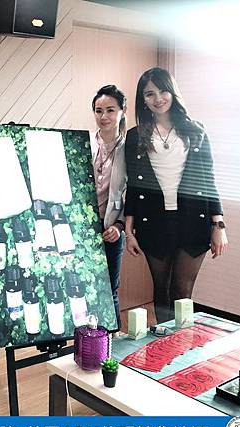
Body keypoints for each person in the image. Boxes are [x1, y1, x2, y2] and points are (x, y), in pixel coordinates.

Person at [124, 67, 228, 324]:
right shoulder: (136, 136)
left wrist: (219, 226)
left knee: (182, 291)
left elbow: (208, 179)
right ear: (143, 99)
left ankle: (182, 341)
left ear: (172, 92)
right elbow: (134, 187)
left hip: (193, 219)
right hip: (154, 220)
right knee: (161, 289)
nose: (158, 98)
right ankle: (163, 340)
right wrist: (128, 231)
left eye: (163, 91)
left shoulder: (195, 131)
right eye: (149, 94)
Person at [91, 84, 128, 331]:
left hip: (111, 228)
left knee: (109, 289)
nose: (103, 116)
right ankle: (85, 343)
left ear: (122, 111)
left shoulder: (129, 148)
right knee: (83, 288)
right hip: (82, 229)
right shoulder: (84, 142)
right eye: (98, 110)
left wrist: (120, 225)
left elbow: (133, 194)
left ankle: (112, 344)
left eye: (110, 110)